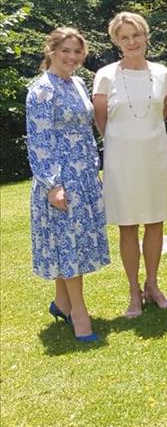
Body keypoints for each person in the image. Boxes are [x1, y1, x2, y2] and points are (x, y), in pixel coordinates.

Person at [27, 28, 110, 342]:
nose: (72, 57)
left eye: (77, 52)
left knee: (72, 242)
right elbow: (39, 141)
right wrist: (52, 184)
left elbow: (86, 130)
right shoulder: (41, 90)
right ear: (51, 50)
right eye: (66, 51)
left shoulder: (77, 83)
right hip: (61, 177)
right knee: (69, 244)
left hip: (84, 173)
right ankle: (79, 314)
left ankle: (62, 303)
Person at [93, 12, 167, 317]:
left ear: (145, 36)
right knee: (127, 226)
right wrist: (121, 142)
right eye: (124, 37)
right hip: (121, 160)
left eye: (136, 35)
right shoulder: (105, 75)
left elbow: (165, 113)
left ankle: (152, 285)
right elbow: (101, 118)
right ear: (116, 41)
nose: (132, 42)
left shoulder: (162, 73)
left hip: (154, 157)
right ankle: (133, 291)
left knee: (155, 222)